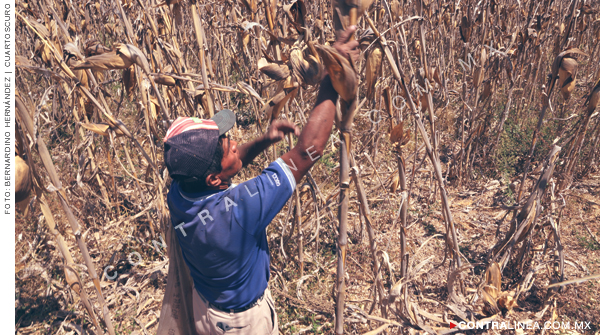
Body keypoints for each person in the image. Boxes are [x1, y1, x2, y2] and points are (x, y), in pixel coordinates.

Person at [160, 26, 359, 335]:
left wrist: (265, 140)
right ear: (213, 178)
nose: (234, 140)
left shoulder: (180, 191)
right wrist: (331, 79)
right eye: (226, 144)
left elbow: (225, 170)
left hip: (206, 308)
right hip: (243, 324)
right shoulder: (240, 211)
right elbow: (309, 151)